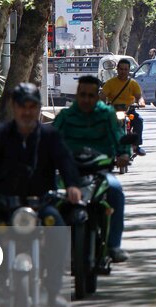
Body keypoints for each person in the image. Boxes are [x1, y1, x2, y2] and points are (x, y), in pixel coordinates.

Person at [0, 82, 81, 307]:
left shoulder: (50, 135)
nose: (27, 112)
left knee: (58, 228)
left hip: (41, 205)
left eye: (32, 106)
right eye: (22, 106)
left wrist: (72, 185)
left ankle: (53, 290)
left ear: (38, 108)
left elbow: (65, 161)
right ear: (13, 107)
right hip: (4, 205)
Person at [52, 75, 130, 262]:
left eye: (90, 95)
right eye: (82, 95)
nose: (86, 99)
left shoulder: (107, 115)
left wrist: (124, 154)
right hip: (69, 174)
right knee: (49, 196)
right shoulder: (65, 116)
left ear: (97, 97)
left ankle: (113, 246)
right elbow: (49, 139)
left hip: (99, 172)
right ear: (77, 95)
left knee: (116, 192)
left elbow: (120, 137)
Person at [101, 58, 146, 156]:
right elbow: (102, 96)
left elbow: (139, 97)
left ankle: (136, 146)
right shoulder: (110, 83)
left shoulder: (133, 83)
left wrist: (141, 102)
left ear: (129, 70)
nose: (123, 71)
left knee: (139, 120)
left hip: (129, 111)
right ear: (117, 69)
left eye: (126, 69)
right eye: (121, 69)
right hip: (114, 111)